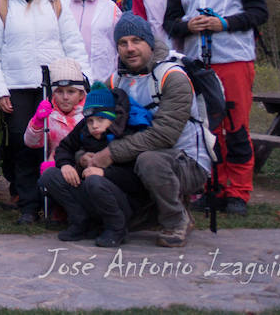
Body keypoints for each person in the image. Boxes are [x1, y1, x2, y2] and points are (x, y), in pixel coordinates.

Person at [163, 0, 268, 215]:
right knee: (208, 129)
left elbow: (259, 12)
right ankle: (214, 188)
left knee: (236, 127)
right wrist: (187, 25)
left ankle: (238, 192)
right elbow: (169, 23)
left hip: (234, 59)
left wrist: (224, 23)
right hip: (199, 65)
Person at [0, 0, 89, 224]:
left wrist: (83, 78)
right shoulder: (0, 5)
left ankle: (57, 200)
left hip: (54, 86)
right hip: (17, 86)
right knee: (23, 144)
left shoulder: (55, 2)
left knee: (59, 142)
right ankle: (29, 204)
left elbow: (73, 43)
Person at [81, 14, 209, 247]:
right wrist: (84, 155)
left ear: (150, 42)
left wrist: (109, 154)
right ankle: (142, 214)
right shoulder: (116, 81)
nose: (130, 48)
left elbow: (164, 135)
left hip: (187, 161)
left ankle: (175, 219)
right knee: (128, 159)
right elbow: (92, 123)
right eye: (123, 43)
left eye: (136, 41)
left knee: (149, 160)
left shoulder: (173, 77)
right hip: (137, 156)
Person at [44, 84, 139, 248]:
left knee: (94, 180)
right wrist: (66, 165)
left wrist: (104, 173)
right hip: (91, 190)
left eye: (101, 119)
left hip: (122, 199)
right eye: (90, 121)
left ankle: (116, 228)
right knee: (50, 175)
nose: (95, 125)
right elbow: (64, 148)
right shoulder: (84, 129)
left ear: (113, 117)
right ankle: (81, 221)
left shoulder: (126, 134)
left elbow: (135, 179)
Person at [22, 56, 88, 169]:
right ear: (52, 93)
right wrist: (38, 121)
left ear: (81, 94)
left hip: (83, 165)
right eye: (59, 91)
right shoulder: (49, 114)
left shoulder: (88, 114)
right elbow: (31, 143)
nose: (65, 97)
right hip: (56, 167)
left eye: (71, 91)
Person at [65, 0, 121, 83]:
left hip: (103, 73)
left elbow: (118, 41)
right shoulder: (64, 6)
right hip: (72, 74)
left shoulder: (110, 7)